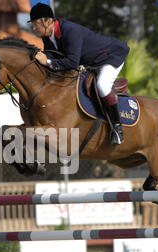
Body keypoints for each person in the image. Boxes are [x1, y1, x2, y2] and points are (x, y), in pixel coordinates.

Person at [28, 3, 130, 146]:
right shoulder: (47, 36)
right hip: (91, 63)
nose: (33, 28)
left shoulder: (70, 31)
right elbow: (54, 58)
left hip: (110, 56)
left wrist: (48, 62)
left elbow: (72, 62)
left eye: (35, 24)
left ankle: (117, 127)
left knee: (102, 86)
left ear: (47, 21)